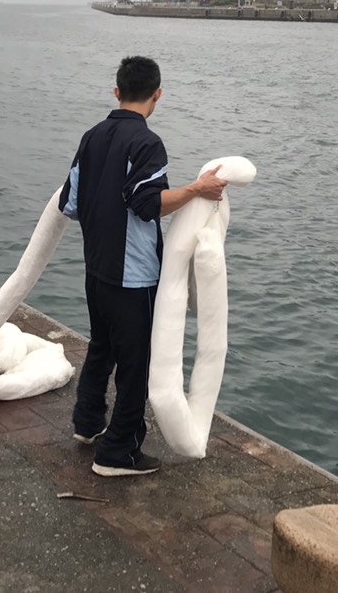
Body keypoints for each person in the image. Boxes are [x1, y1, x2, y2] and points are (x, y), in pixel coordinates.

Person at [58, 56, 227, 477]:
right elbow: (149, 204)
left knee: (101, 347)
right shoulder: (147, 143)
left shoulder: (91, 137)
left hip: (96, 269)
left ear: (117, 91)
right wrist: (198, 189)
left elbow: (70, 204)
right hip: (133, 278)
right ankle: (118, 451)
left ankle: (87, 422)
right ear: (158, 94)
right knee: (136, 364)